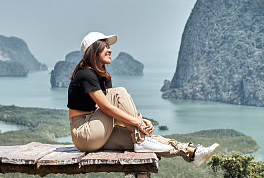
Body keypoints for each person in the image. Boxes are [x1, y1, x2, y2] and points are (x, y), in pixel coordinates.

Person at [67, 32, 219, 167]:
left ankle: (192, 153)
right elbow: (107, 109)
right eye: (105, 46)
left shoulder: (103, 76)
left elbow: (114, 115)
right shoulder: (85, 74)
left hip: (98, 131)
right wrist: (138, 123)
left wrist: (141, 122)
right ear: (94, 50)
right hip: (84, 132)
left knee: (147, 139)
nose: (110, 50)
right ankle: (142, 139)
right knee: (119, 93)